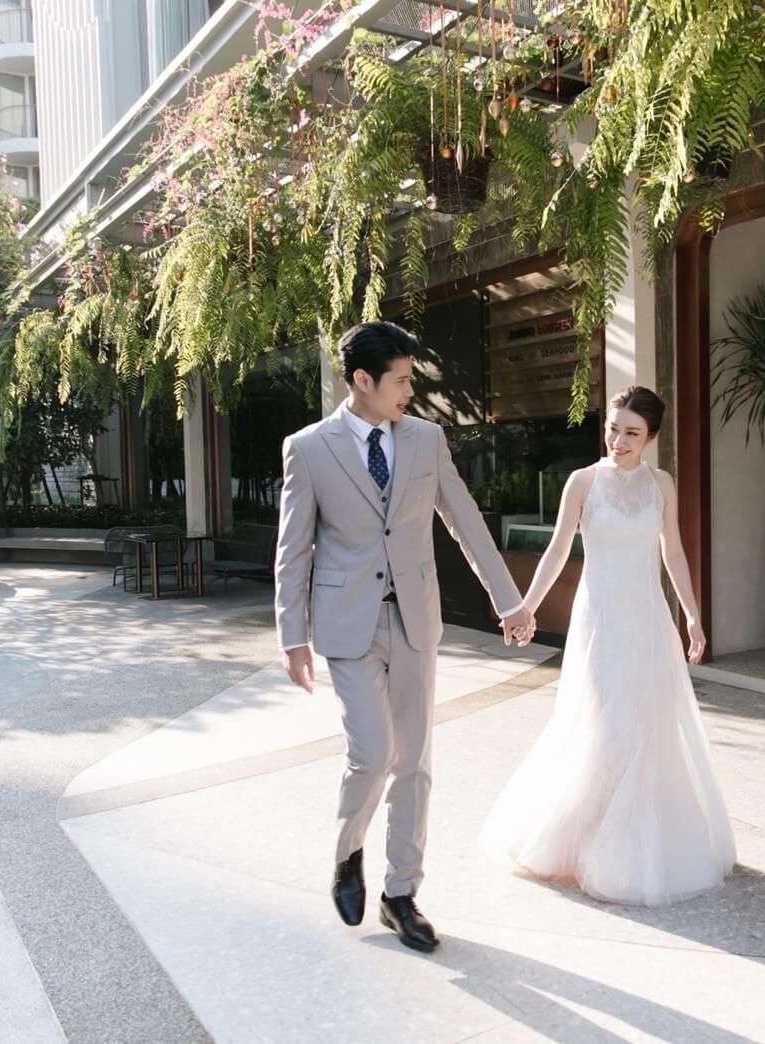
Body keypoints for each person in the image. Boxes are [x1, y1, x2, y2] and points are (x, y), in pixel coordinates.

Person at [274, 321, 537, 953]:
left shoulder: (426, 440)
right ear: (363, 381)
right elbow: (294, 548)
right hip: (349, 624)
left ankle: (400, 894)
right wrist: (291, 636)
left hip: (415, 619)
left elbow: (465, 519)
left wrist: (509, 600)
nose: (410, 391)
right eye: (400, 380)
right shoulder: (308, 449)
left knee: (414, 762)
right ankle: (347, 855)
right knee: (372, 756)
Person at [480, 386, 736, 906]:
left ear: (652, 438)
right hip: (599, 622)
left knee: (646, 727)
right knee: (604, 724)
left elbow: (673, 551)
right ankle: (578, 838)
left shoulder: (662, 484)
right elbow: (557, 549)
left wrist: (692, 615)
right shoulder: (583, 481)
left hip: (648, 621)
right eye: (613, 429)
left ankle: (636, 846)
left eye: (631, 433)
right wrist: (526, 607)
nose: (618, 441)